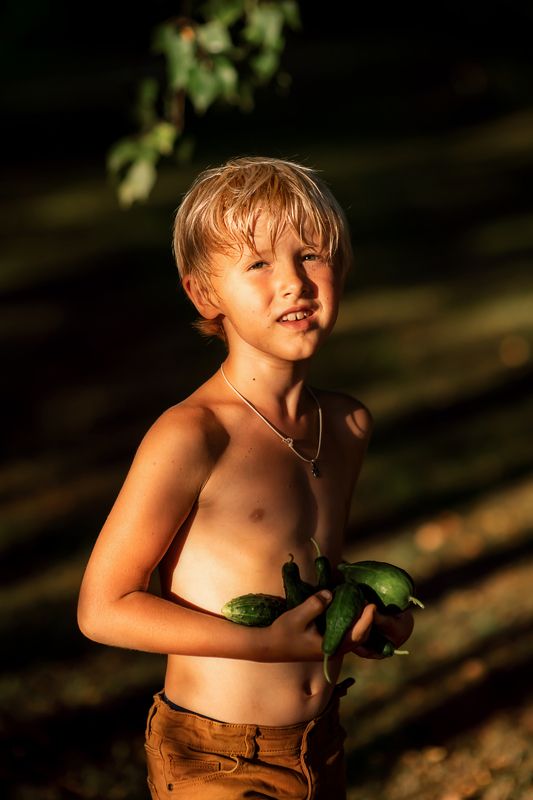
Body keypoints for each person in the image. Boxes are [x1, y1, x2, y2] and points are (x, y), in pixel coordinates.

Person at [77, 156, 414, 799]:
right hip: (217, 756)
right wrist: (266, 647)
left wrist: (362, 621)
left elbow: (309, 572)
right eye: (257, 263)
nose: (293, 283)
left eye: (311, 254)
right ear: (205, 294)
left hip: (320, 744)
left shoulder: (345, 426)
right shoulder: (194, 434)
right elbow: (103, 608)